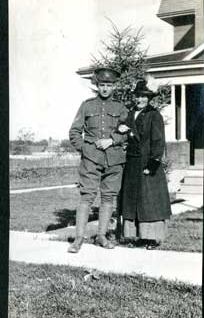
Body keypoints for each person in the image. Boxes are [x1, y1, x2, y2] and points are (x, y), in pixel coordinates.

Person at [67, 67, 128, 253]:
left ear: (114, 86)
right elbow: (74, 132)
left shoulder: (121, 108)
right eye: (102, 85)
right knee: (87, 197)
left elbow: (128, 134)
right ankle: (78, 239)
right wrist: (86, 149)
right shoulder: (87, 106)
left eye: (108, 85)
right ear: (97, 85)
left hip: (114, 160)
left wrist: (112, 140)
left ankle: (101, 236)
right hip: (91, 160)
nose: (105, 89)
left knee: (108, 197)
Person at [118, 78, 171, 249]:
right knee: (133, 200)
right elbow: (123, 129)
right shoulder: (131, 113)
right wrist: (120, 128)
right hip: (132, 163)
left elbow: (158, 141)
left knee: (149, 201)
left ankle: (152, 239)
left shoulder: (154, 115)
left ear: (149, 98)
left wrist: (153, 164)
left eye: (143, 97)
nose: (140, 100)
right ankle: (138, 237)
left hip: (147, 163)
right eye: (137, 96)